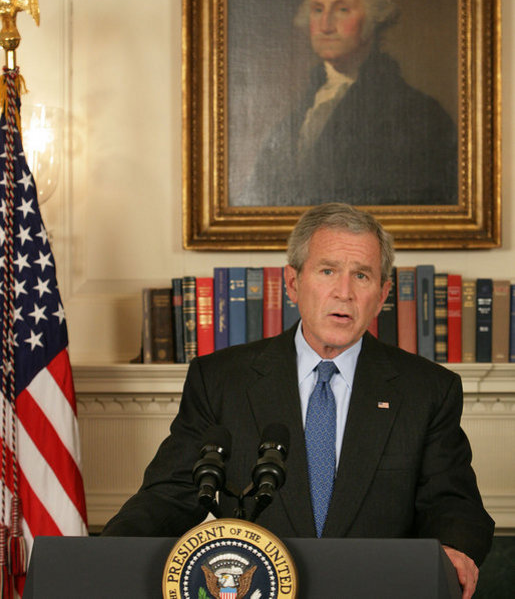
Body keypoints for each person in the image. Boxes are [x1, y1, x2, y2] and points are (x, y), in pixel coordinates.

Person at [103, 203, 493, 599]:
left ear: (382, 295)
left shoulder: (427, 390)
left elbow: (451, 501)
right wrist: (104, 554)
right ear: (292, 283)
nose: (344, 292)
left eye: (362, 275)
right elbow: (170, 493)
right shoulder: (222, 380)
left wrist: (454, 548)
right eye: (327, 271)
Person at [245, 0, 458, 207]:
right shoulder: (296, 116)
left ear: (375, 18)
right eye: (317, 9)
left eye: (342, 9)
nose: (325, 25)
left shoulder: (420, 116)